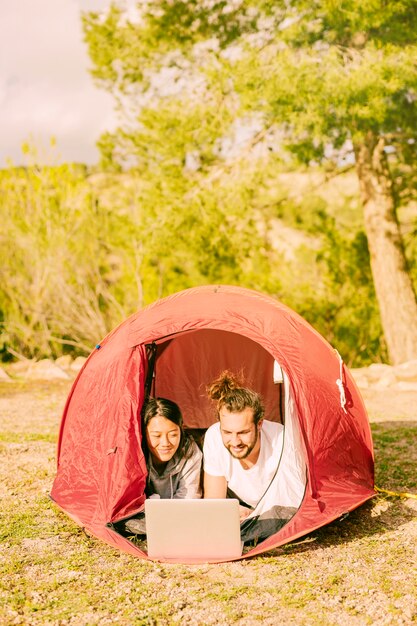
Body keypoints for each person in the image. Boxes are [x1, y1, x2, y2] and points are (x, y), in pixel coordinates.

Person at [203, 371, 298, 541]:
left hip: (277, 511)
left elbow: (293, 503)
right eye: (227, 432)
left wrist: (254, 514)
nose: (235, 441)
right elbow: (213, 504)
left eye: (243, 432)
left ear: (259, 424)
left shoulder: (282, 440)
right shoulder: (214, 436)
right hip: (246, 510)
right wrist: (232, 510)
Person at [123, 397, 202, 535]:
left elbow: (189, 496)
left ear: (181, 430)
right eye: (156, 436)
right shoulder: (135, 454)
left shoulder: (190, 452)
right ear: (144, 434)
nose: (165, 443)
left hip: (180, 514)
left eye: (173, 435)